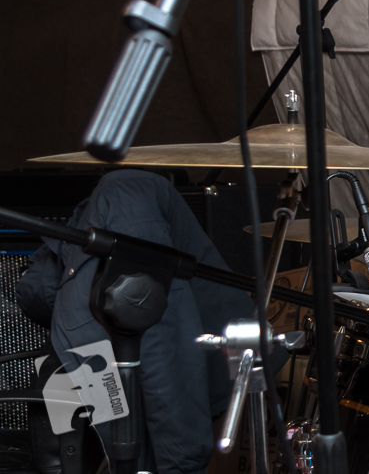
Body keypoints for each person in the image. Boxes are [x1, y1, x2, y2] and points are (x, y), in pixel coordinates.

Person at [17, 170, 257, 474]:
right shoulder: (126, 197)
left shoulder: (122, 198)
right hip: (181, 388)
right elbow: (164, 347)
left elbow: (164, 345)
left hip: (203, 379)